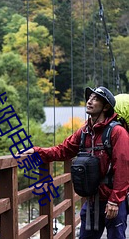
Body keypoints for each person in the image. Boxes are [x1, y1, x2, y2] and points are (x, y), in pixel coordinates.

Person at [19, 86, 129, 239]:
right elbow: (63, 150)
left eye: (95, 99)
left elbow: (123, 168)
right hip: (92, 200)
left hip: (112, 200)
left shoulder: (117, 132)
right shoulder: (84, 132)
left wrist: (115, 201)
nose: (89, 101)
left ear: (106, 107)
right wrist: (37, 151)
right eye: (89, 98)